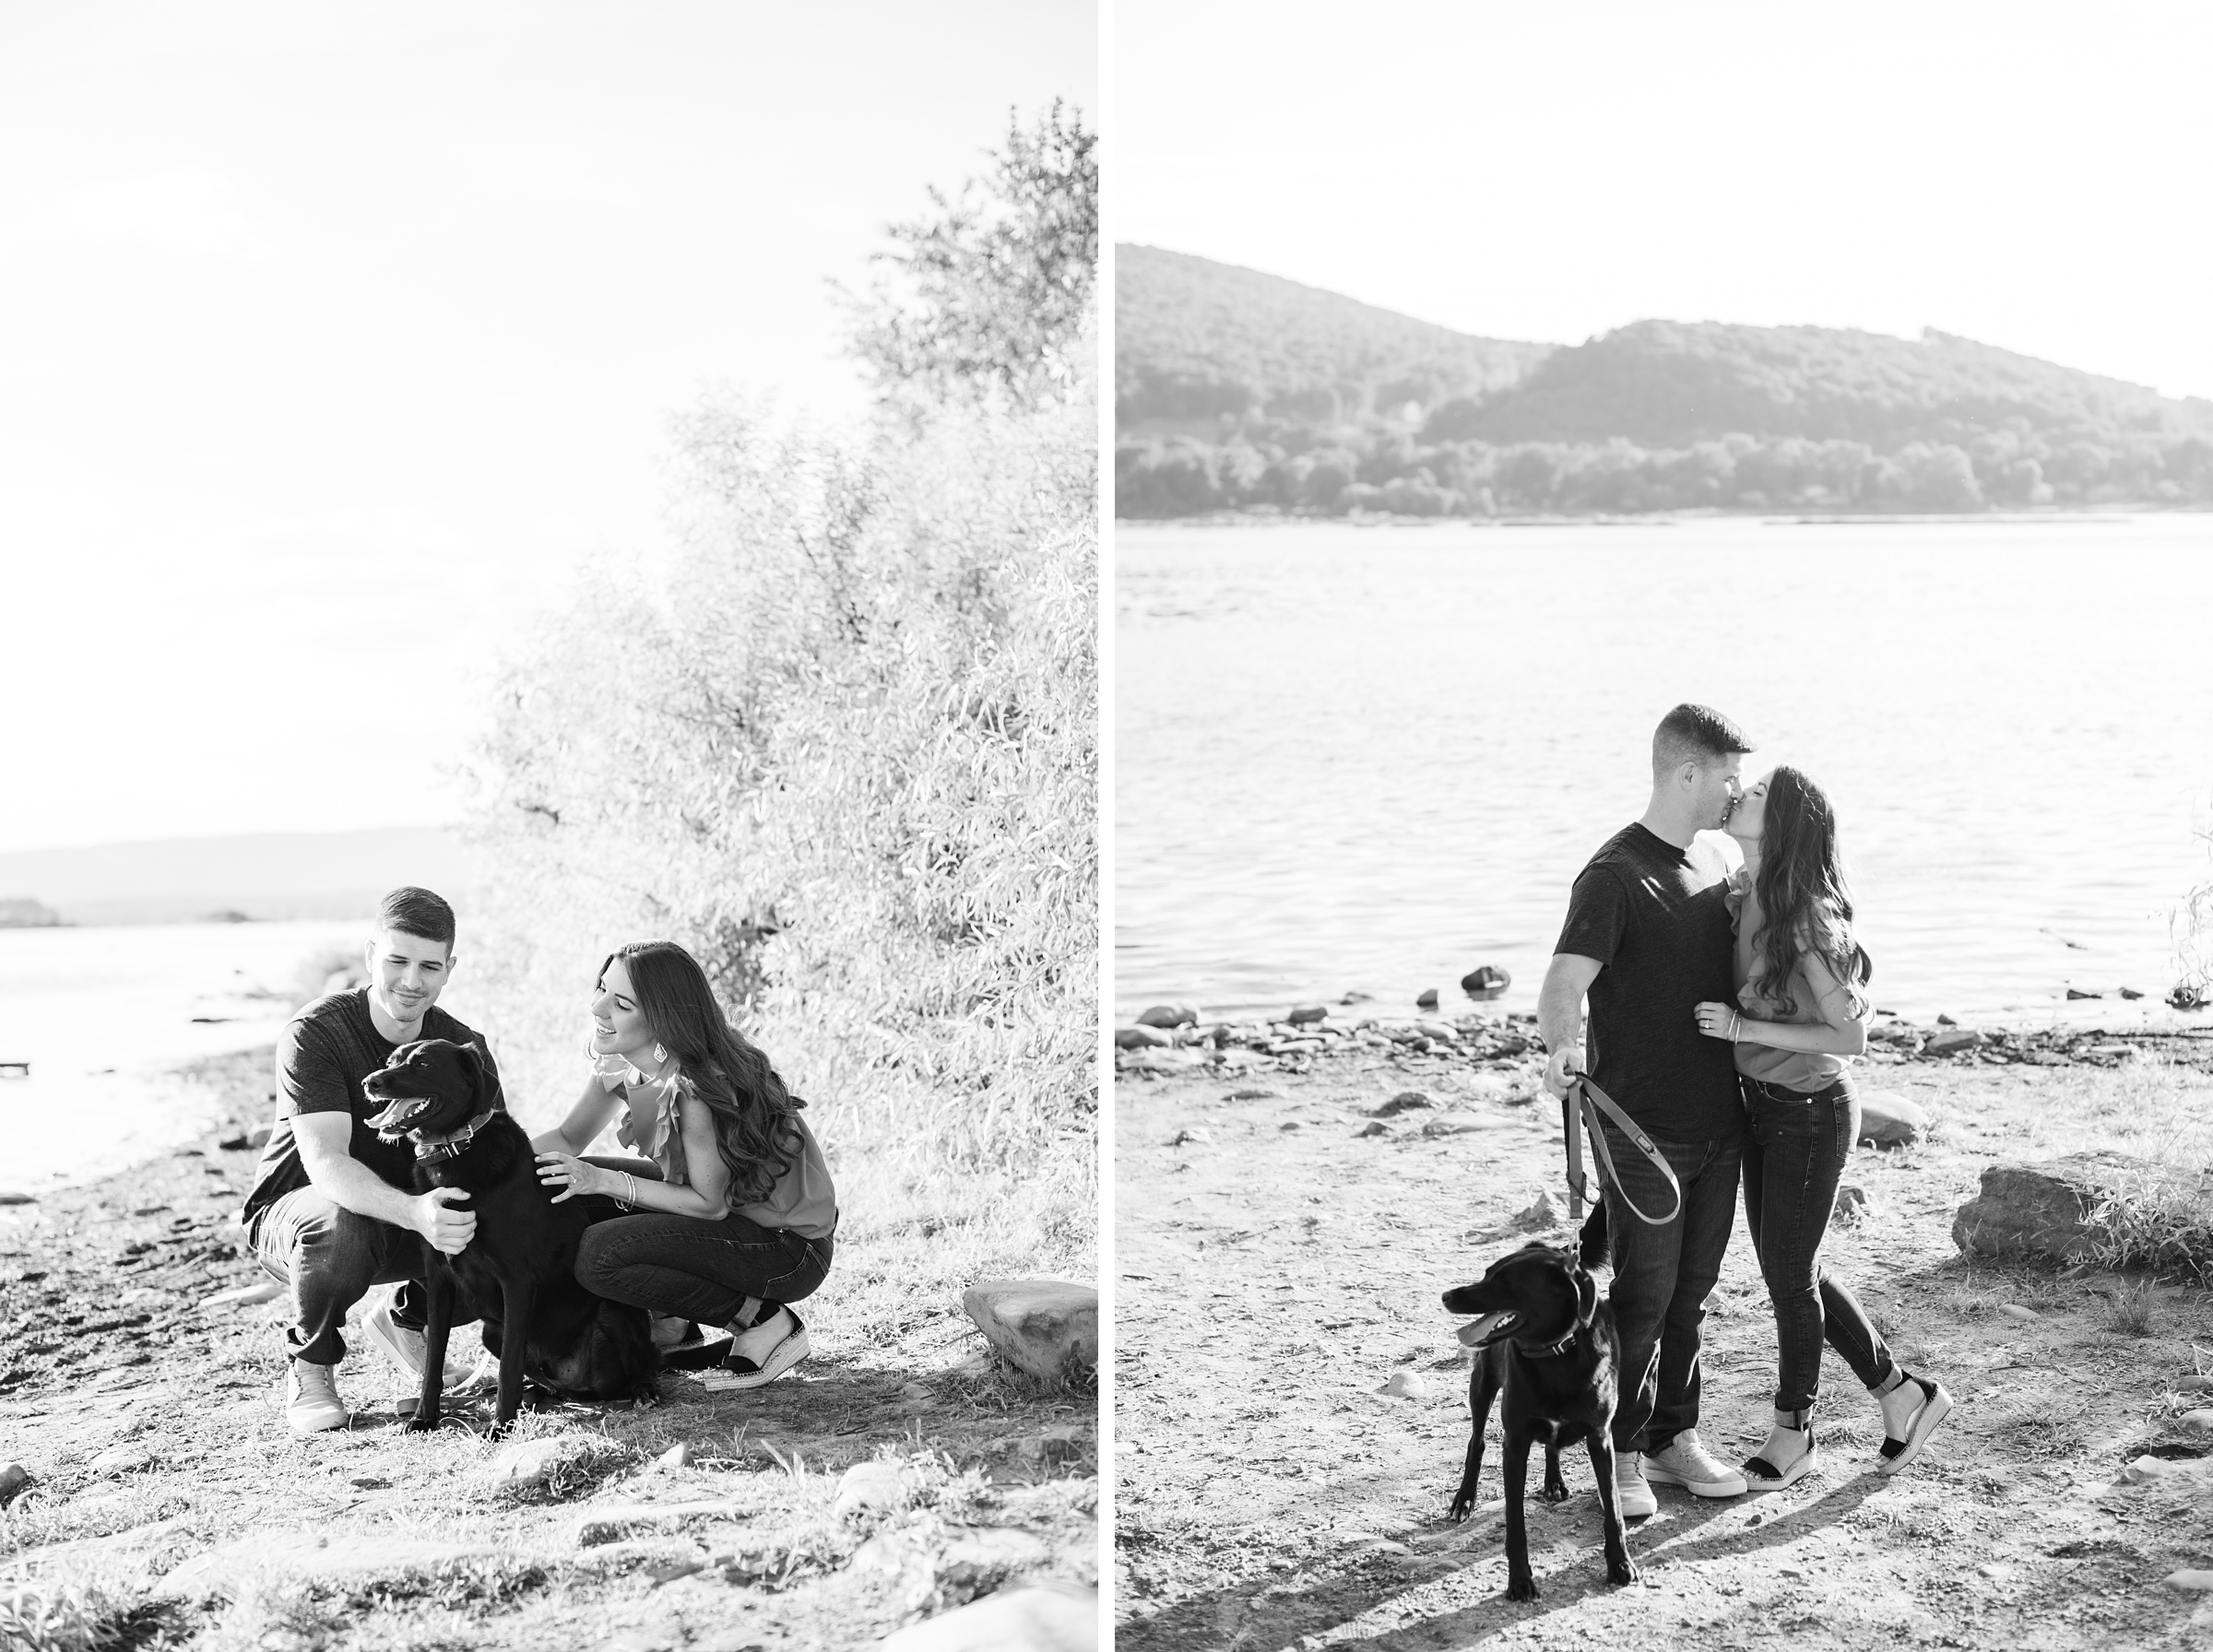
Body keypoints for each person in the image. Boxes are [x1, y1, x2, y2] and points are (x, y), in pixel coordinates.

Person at [1693, 766, 1952, 1487]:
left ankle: (1794, 1434)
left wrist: (1742, 1026)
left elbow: (1852, 1036)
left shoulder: (1803, 914)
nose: (1739, 794)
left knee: (1788, 1277)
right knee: (1792, 1271)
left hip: (1809, 1112)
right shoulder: (1751, 895)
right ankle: (1905, 1394)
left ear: (1781, 826)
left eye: (1755, 795)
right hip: (1764, 1110)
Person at [1539, 703, 1754, 1519]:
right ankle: (1619, 1453)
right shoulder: (1614, 874)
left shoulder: (1711, 863)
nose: (1736, 790)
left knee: (1692, 1293)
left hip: (1718, 1125)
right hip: (1640, 1133)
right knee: (1642, 1293)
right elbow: (1564, 986)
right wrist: (1563, 1053)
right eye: (1727, 775)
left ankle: (1672, 1439)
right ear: (1687, 773)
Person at [241, 887, 501, 1434]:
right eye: (397, 961)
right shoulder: (317, 1033)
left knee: (499, 1220)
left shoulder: (463, 1049)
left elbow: (490, 1162)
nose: (412, 981)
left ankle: (408, 1318)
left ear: (450, 968)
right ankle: (311, 1366)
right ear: (370, 957)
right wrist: (417, 1215)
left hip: (408, 1214)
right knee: (345, 1222)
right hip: (303, 1217)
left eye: (430, 966)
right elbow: (327, 1163)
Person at [531, 941, 836, 1388]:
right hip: (730, 1215)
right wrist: (484, 1172)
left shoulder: (696, 1089)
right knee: (556, 1186)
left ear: (662, 1019)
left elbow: (708, 1205)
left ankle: (763, 1320)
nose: (598, 1007)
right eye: (601, 988)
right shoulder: (623, 1066)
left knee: (600, 1255)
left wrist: (603, 1181)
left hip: (786, 1248)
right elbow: (566, 1138)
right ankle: (671, 1325)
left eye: (621, 1003)